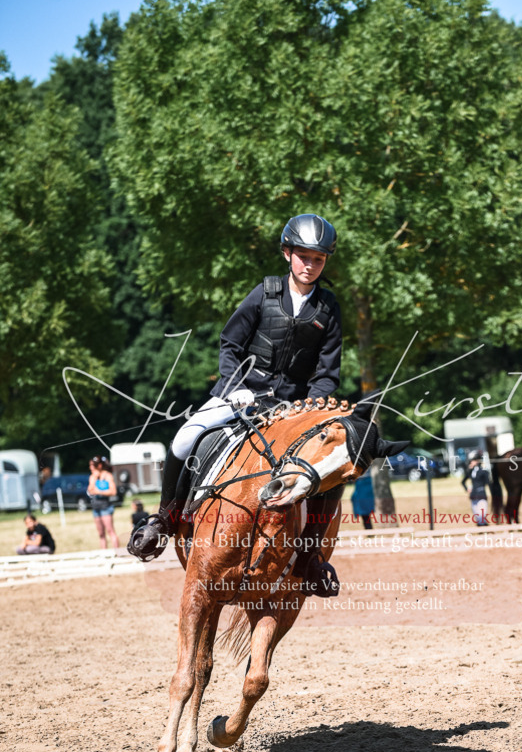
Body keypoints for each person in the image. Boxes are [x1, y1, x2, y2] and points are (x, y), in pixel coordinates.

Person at [128, 213, 343, 596]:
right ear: (287, 253)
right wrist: (234, 386)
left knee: (332, 467)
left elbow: (328, 372)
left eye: (318, 259)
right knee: (185, 437)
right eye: (304, 256)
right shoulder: (264, 293)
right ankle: (165, 519)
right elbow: (230, 344)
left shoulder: (328, 308)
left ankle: (310, 555)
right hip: (243, 394)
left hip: (293, 408)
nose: (310, 265)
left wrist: (310, 407)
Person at [88, 457, 120, 549]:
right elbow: (90, 490)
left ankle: (117, 553)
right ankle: (104, 553)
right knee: (101, 534)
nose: (91, 467)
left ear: (99, 465)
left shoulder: (108, 476)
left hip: (106, 507)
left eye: (93, 465)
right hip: (96, 508)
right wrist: (94, 478)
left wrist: (99, 492)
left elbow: (113, 491)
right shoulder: (92, 477)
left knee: (110, 531)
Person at [462, 449, 490, 526]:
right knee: (477, 516)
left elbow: (488, 482)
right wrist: (467, 489)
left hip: (481, 494)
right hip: (473, 495)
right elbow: (463, 481)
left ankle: (484, 528)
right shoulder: (470, 471)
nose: (471, 462)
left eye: (473, 460)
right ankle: (481, 528)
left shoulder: (483, 471)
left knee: (482, 516)